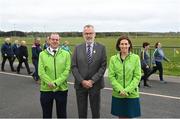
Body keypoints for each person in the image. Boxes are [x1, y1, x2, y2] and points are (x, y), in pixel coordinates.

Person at [72, 25, 107, 118]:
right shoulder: (77, 48)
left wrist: (92, 81)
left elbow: (103, 67)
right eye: (86, 33)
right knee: (81, 112)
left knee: (96, 112)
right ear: (83, 35)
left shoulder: (101, 48)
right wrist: (82, 81)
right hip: (80, 85)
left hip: (95, 85)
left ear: (94, 34)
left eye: (90, 33)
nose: (88, 35)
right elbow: (74, 67)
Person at [38, 33, 71, 118]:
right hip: (46, 89)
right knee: (46, 115)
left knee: (62, 115)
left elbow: (67, 71)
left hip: (61, 89)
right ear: (49, 40)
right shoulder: (42, 54)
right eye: (53, 39)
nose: (55, 41)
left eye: (57, 40)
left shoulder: (66, 54)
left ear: (59, 41)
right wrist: (50, 83)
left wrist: (56, 83)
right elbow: (41, 72)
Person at [108, 35, 141, 118]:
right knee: (121, 117)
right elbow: (111, 76)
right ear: (119, 45)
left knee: (130, 116)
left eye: (126, 44)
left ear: (129, 45)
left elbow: (137, 76)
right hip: (118, 94)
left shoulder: (136, 58)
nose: (124, 46)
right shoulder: (113, 59)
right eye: (122, 44)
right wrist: (120, 90)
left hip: (131, 93)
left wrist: (127, 90)